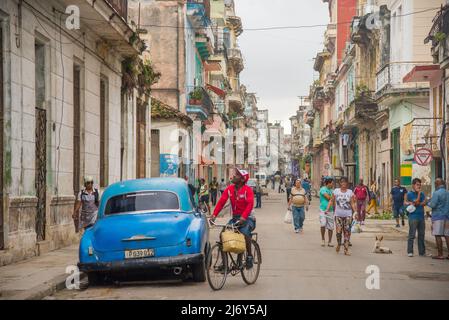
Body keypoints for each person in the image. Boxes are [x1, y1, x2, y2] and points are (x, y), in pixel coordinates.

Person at [211, 169, 256, 269]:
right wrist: (214, 215)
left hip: (248, 218)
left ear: (242, 179)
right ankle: (225, 263)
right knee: (222, 235)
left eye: (236, 175)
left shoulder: (247, 190)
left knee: (244, 233)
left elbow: (250, 204)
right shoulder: (229, 189)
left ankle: (249, 256)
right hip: (235, 218)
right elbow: (221, 202)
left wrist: (243, 217)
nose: (233, 176)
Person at [331, 177, 356, 256]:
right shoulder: (336, 191)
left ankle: (346, 249)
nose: (344, 184)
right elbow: (332, 201)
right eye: (342, 182)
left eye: (345, 182)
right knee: (338, 232)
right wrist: (331, 210)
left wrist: (355, 212)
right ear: (340, 183)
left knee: (347, 232)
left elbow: (352, 203)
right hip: (338, 215)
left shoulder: (350, 192)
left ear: (347, 183)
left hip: (348, 215)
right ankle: (339, 244)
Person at [404, 178, 428, 257]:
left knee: (421, 235)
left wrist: (420, 202)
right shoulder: (410, 194)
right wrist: (419, 196)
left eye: (420, 185)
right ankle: (410, 251)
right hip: (413, 217)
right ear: (413, 185)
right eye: (417, 185)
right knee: (412, 235)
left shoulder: (422, 194)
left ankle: (422, 252)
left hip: (421, 217)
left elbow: (425, 202)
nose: (419, 186)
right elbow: (417, 202)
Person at [427, 178, 449, 260]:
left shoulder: (436, 193)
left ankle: (440, 254)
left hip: (438, 216)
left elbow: (433, 205)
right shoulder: (447, 192)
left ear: (437, 184)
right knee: (447, 235)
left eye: (435, 183)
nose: (435, 185)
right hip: (447, 217)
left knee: (438, 235)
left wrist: (427, 202)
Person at [320, 177, 335, 247]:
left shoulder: (332, 190)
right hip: (323, 209)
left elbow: (334, 200)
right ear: (328, 183)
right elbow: (328, 198)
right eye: (332, 183)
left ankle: (330, 241)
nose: (333, 184)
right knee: (323, 224)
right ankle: (323, 239)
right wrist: (332, 197)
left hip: (331, 210)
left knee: (331, 227)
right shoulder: (323, 189)